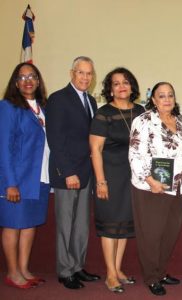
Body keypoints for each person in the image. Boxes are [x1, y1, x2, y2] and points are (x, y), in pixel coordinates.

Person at [129, 82, 182, 296]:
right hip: (151, 188)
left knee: (169, 233)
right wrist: (150, 180)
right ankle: (151, 277)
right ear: (153, 100)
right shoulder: (143, 121)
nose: (167, 99)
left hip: (177, 186)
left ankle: (161, 271)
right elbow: (135, 154)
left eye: (170, 95)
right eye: (161, 96)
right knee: (151, 234)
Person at [46, 56, 100, 289]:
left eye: (89, 74)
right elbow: (55, 139)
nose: (85, 78)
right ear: (72, 74)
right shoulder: (58, 99)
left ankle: (77, 267)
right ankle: (65, 270)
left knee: (81, 225)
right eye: (81, 73)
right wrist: (68, 171)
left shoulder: (91, 102)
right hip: (67, 173)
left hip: (86, 173)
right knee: (66, 225)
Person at [89, 67, 145, 293]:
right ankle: (110, 274)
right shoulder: (104, 113)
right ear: (110, 89)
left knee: (123, 224)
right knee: (110, 225)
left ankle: (119, 269)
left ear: (132, 86)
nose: (122, 86)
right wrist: (101, 181)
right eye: (116, 83)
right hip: (110, 175)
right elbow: (95, 148)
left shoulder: (141, 111)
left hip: (132, 177)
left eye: (126, 82)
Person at [0, 63, 50, 289]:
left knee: (30, 224)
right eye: (22, 77)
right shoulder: (8, 107)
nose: (28, 80)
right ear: (15, 82)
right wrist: (10, 183)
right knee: (13, 225)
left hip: (39, 177)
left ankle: (24, 268)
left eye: (32, 76)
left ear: (38, 81)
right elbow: (3, 147)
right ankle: (12, 272)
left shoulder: (43, 107)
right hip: (17, 180)